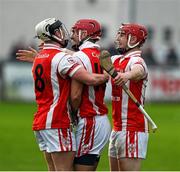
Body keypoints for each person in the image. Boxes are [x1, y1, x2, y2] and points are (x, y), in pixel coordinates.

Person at [17, 18, 108, 171]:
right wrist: (107, 76)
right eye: (59, 30)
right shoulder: (62, 59)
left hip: (41, 122)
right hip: (58, 120)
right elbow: (90, 79)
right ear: (53, 34)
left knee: (53, 169)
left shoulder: (40, 58)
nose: (66, 34)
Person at [70, 19, 111, 171]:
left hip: (89, 120)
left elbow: (75, 95)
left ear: (84, 34)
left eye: (75, 32)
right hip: (99, 119)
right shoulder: (102, 56)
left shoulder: (79, 57)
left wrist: (72, 113)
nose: (72, 36)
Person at [109, 23, 149, 171]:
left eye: (121, 35)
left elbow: (138, 71)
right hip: (118, 128)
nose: (117, 38)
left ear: (133, 39)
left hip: (132, 127)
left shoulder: (136, 61)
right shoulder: (116, 59)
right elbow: (85, 57)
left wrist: (127, 75)